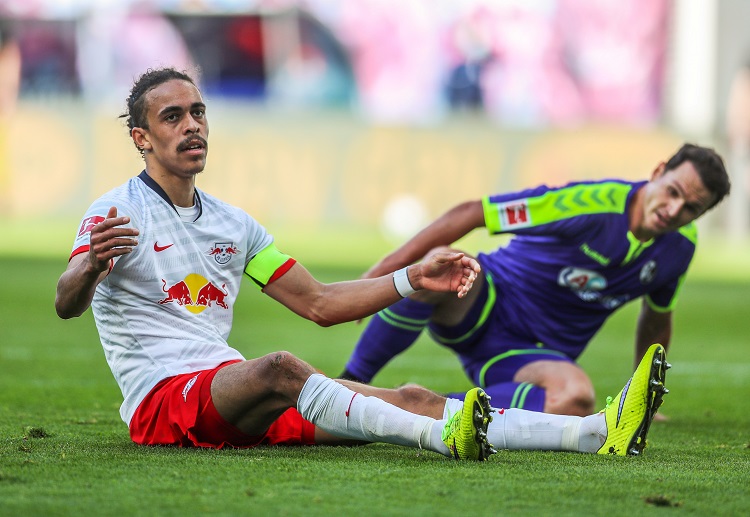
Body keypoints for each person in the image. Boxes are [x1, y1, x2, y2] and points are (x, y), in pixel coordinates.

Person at [55, 67, 665, 462]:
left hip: (231, 397)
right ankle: (443, 441)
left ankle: (591, 434)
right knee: (279, 368)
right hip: (166, 405)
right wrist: (88, 269)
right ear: (141, 138)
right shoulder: (116, 212)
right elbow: (65, 301)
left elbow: (319, 303)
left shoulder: (233, 224)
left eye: (199, 112)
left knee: (414, 394)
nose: (193, 126)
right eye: (173, 117)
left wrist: (409, 280)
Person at [340, 143, 730, 418]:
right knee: (439, 266)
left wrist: (642, 396)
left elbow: (657, 317)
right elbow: (475, 212)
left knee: (576, 398)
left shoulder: (679, 249)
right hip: (482, 301)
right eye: (673, 192)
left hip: (527, 357)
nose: (674, 209)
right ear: (658, 172)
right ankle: (344, 386)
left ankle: (408, 406)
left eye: (691, 208)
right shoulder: (591, 203)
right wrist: (384, 269)